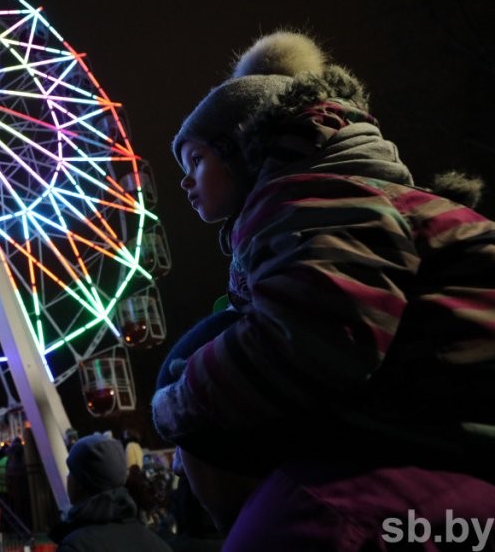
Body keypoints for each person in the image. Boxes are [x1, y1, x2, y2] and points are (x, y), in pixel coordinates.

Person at [153, 30, 495, 549]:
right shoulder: (348, 196)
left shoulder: (306, 201)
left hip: (448, 426)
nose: (184, 182)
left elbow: (316, 335)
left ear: (239, 146)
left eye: (195, 159)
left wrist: (176, 402)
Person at [49, 433, 173, 552]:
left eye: (71, 471)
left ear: (82, 481)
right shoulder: (157, 543)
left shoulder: (76, 546)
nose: (67, 477)